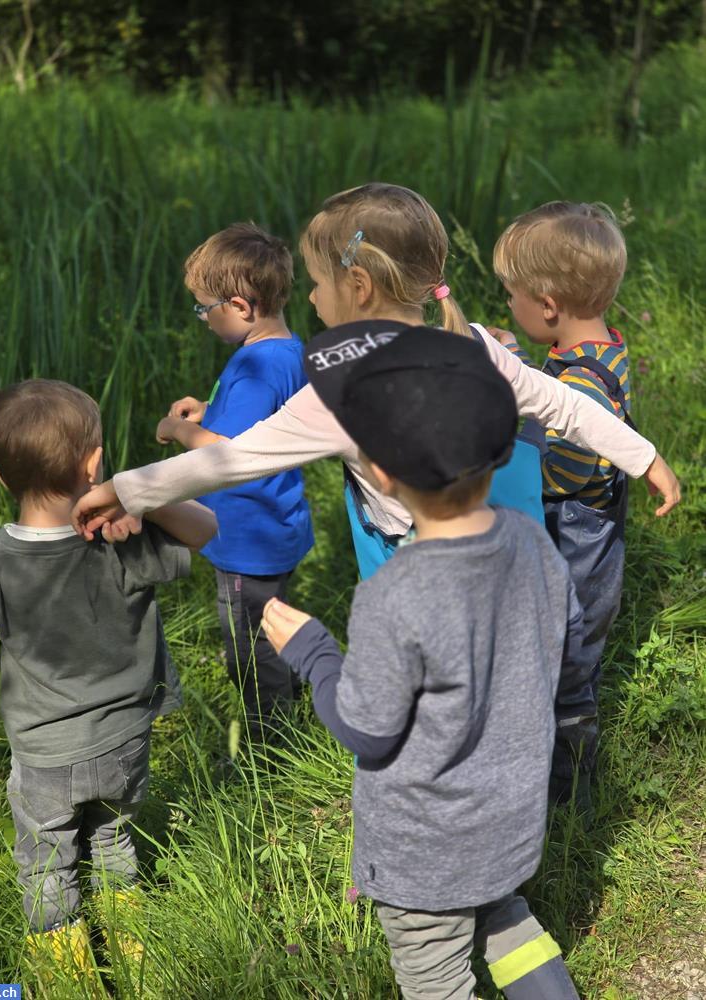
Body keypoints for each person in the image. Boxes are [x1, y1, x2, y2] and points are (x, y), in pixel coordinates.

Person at [71, 184, 680, 565]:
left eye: (315, 282)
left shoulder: (341, 391)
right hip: (490, 539)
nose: (309, 299)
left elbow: (232, 459)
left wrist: (122, 489)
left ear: (357, 288)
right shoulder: (468, 340)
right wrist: (644, 457)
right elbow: (564, 406)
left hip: (405, 555)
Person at [262, 323, 584, 1000]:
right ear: (501, 450)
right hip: (511, 820)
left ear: (378, 471)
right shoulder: (531, 541)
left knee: (436, 977)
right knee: (504, 917)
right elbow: (563, 640)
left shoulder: (394, 593)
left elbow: (368, 729)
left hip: (424, 852)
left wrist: (314, 653)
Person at [0, 380, 216, 982]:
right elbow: (204, 529)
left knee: (48, 859)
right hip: (126, 736)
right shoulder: (122, 534)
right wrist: (138, 493)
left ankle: (67, 971)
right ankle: (133, 947)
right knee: (112, 838)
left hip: (45, 752)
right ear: (96, 463)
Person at [490, 201, 636, 809]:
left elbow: (564, 474)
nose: (508, 306)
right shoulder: (599, 350)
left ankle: (567, 794)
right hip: (592, 540)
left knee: (568, 669)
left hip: (579, 549)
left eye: (512, 296)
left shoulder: (581, 384)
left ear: (548, 306)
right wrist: (519, 364)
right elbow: (559, 397)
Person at [155, 223, 314, 739]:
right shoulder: (288, 350)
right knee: (273, 625)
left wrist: (181, 428)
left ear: (241, 306)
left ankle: (269, 745)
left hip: (246, 535)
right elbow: (264, 419)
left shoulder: (252, 363)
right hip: (280, 523)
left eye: (204, 307)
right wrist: (209, 408)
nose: (201, 318)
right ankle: (293, 700)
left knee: (248, 648)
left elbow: (225, 453)